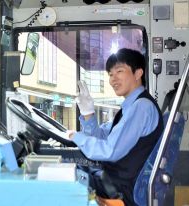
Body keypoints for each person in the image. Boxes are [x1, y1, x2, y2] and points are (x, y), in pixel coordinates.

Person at [70, 48, 164, 205]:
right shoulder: (130, 107)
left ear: (138, 73)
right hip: (117, 180)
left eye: (119, 71)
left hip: (123, 188)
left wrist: (74, 136)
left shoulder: (141, 107)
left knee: (61, 178)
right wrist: (88, 113)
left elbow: (109, 151)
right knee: (71, 171)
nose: (113, 79)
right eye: (110, 74)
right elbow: (103, 136)